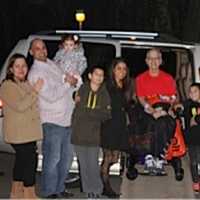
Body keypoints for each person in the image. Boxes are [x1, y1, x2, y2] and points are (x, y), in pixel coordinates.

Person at [28, 38, 81, 198]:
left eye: (43, 47)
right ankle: (49, 191)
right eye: (37, 48)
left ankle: (59, 188)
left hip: (67, 119)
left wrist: (74, 84)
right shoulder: (36, 72)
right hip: (52, 122)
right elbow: (51, 95)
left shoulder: (52, 64)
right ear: (31, 52)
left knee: (66, 158)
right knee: (53, 159)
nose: (42, 50)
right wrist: (67, 84)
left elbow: (68, 81)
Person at [135, 48, 184, 178]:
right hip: (148, 109)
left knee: (164, 123)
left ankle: (159, 157)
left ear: (161, 61)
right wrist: (151, 110)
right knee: (149, 122)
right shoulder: (140, 79)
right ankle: (150, 157)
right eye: (150, 58)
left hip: (165, 110)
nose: (153, 61)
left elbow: (174, 98)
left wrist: (166, 111)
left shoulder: (168, 78)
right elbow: (141, 98)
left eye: (156, 58)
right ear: (146, 61)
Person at [0, 53, 43, 199]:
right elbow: (20, 105)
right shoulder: (7, 85)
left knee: (22, 162)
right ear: (11, 69)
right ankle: (29, 194)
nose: (21, 69)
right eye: (17, 66)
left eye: (24, 66)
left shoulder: (25, 83)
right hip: (18, 134)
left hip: (28, 132)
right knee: (29, 163)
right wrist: (35, 91)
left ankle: (16, 193)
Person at [71, 65, 111, 198]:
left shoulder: (104, 93)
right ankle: (89, 190)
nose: (99, 77)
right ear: (90, 76)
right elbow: (79, 112)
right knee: (83, 165)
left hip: (94, 135)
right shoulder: (82, 90)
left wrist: (90, 112)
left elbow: (106, 114)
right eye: (96, 74)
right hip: (79, 133)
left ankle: (97, 190)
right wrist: (95, 112)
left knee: (93, 164)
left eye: (101, 75)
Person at [101, 58, 133, 198]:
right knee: (108, 156)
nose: (122, 71)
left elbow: (126, 106)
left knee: (115, 158)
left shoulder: (125, 86)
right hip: (108, 124)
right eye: (119, 68)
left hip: (119, 124)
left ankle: (100, 179)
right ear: (113, 70)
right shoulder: (107, 85)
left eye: (124, 69)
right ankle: (105, 186)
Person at [181, 83, 200, 192]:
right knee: (193, 161)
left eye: (195, 91)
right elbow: (181, 107)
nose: (192, 93)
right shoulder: (188, 105)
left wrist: (196, 119)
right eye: (190, 91)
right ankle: (196, 182)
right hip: (191, 139)